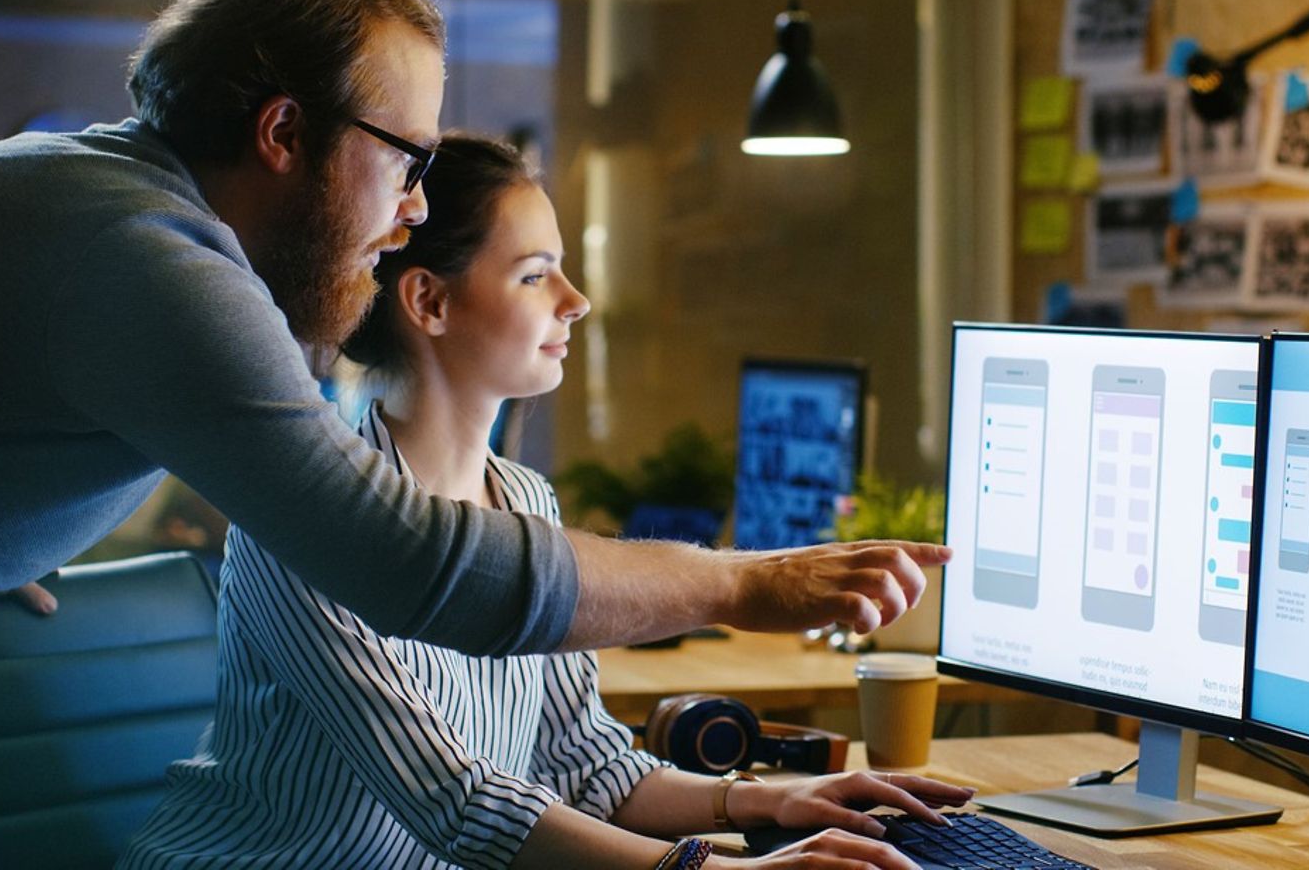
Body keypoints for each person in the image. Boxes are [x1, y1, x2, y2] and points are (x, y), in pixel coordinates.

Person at [0, 0, 950, 670]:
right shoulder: (154, 264)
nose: (414, 208)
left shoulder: (103, 207)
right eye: (406, 159)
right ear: (285, 135)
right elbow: (411, 565)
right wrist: (747, 583)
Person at [119, 134, 973, 870]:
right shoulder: (302, 525)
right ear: (429, 301)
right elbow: (455, 800)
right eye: (536, 276)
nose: (578, 301)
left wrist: (773, 802)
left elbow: (585, 764)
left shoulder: (525, 501)